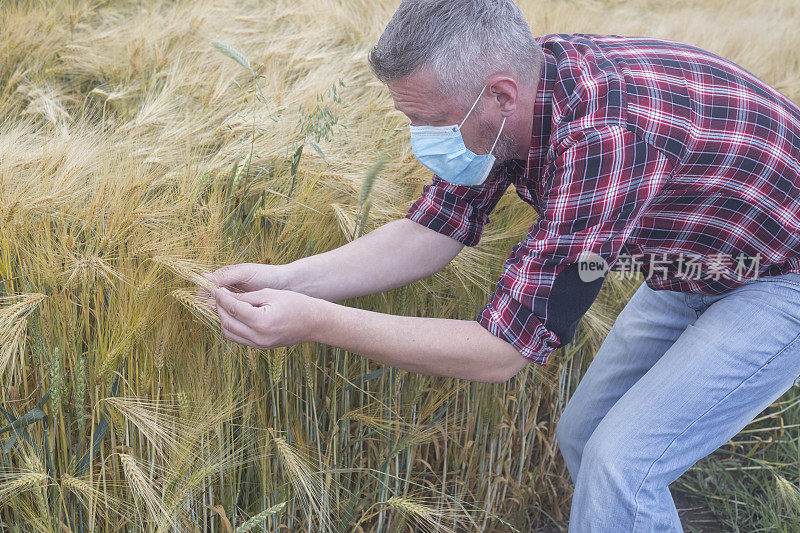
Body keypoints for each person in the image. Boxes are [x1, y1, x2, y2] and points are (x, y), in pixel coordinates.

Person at [199, 0, 800, 530]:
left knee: (625, 465)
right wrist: (286, 278)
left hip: (780, 276)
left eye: (426, 121)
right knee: (584, 437)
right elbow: (430, 232)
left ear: (501, 95)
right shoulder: (513, 103)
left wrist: (316, 322)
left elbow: (501, 352)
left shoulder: (602, 138)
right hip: (689, 266)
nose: (419, 138)